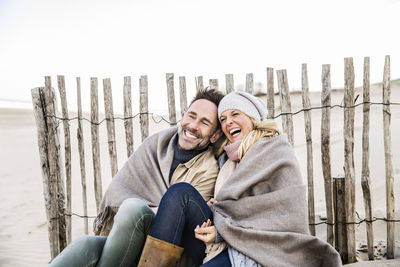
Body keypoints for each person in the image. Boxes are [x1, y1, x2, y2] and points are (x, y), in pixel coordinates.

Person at [138, 91, 342, 267]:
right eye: (224, 118)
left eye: (235, 114)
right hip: (221, 241)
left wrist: (221, 226)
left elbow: (283, 214)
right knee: (180, 193)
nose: (229, 122)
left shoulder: (276, 152)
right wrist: (215, 210)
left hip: (261, 248)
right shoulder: (226, 158)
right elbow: (228, 205)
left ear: (253, 117)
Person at [49, 89, 225, 267]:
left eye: (204, 122)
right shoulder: (155, 144)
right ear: (182, 116)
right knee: (84, 244)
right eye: (191, 116)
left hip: (166, 248)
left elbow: (180, 219)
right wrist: (154, 208)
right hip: (128, 235)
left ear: (215, 135)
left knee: (133, 208)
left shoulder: (208, 169)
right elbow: (119, 190)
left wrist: (147, 209)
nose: (193, 126)